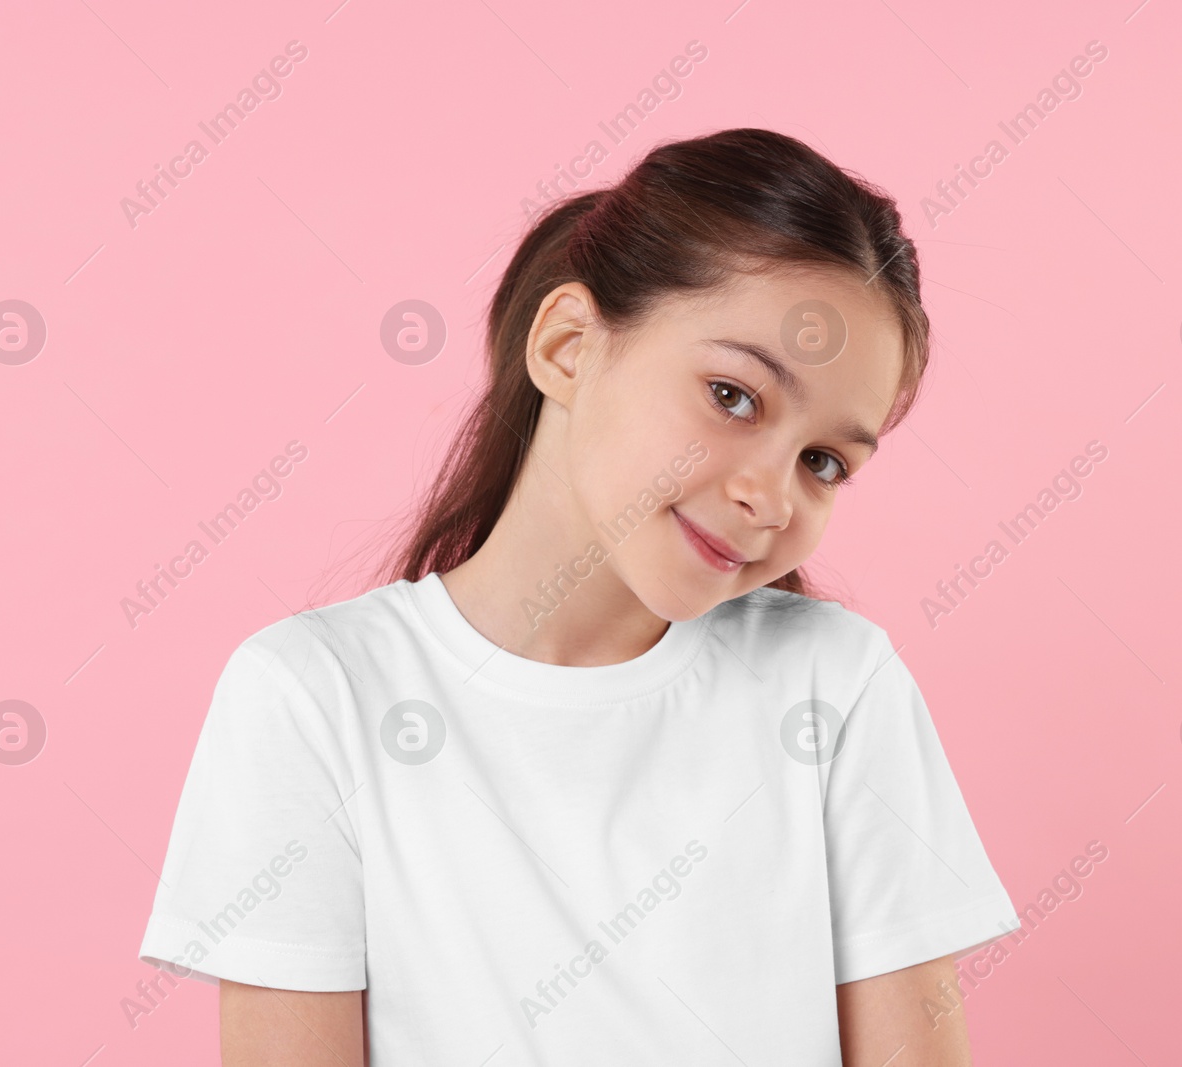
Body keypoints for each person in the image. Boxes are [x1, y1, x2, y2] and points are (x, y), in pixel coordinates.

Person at [138, 127, 1019, 1066]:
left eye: (824, 461)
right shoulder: (315, 697)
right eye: (732, 395)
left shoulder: (835, 687)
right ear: (566, 346)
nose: (771, 494)